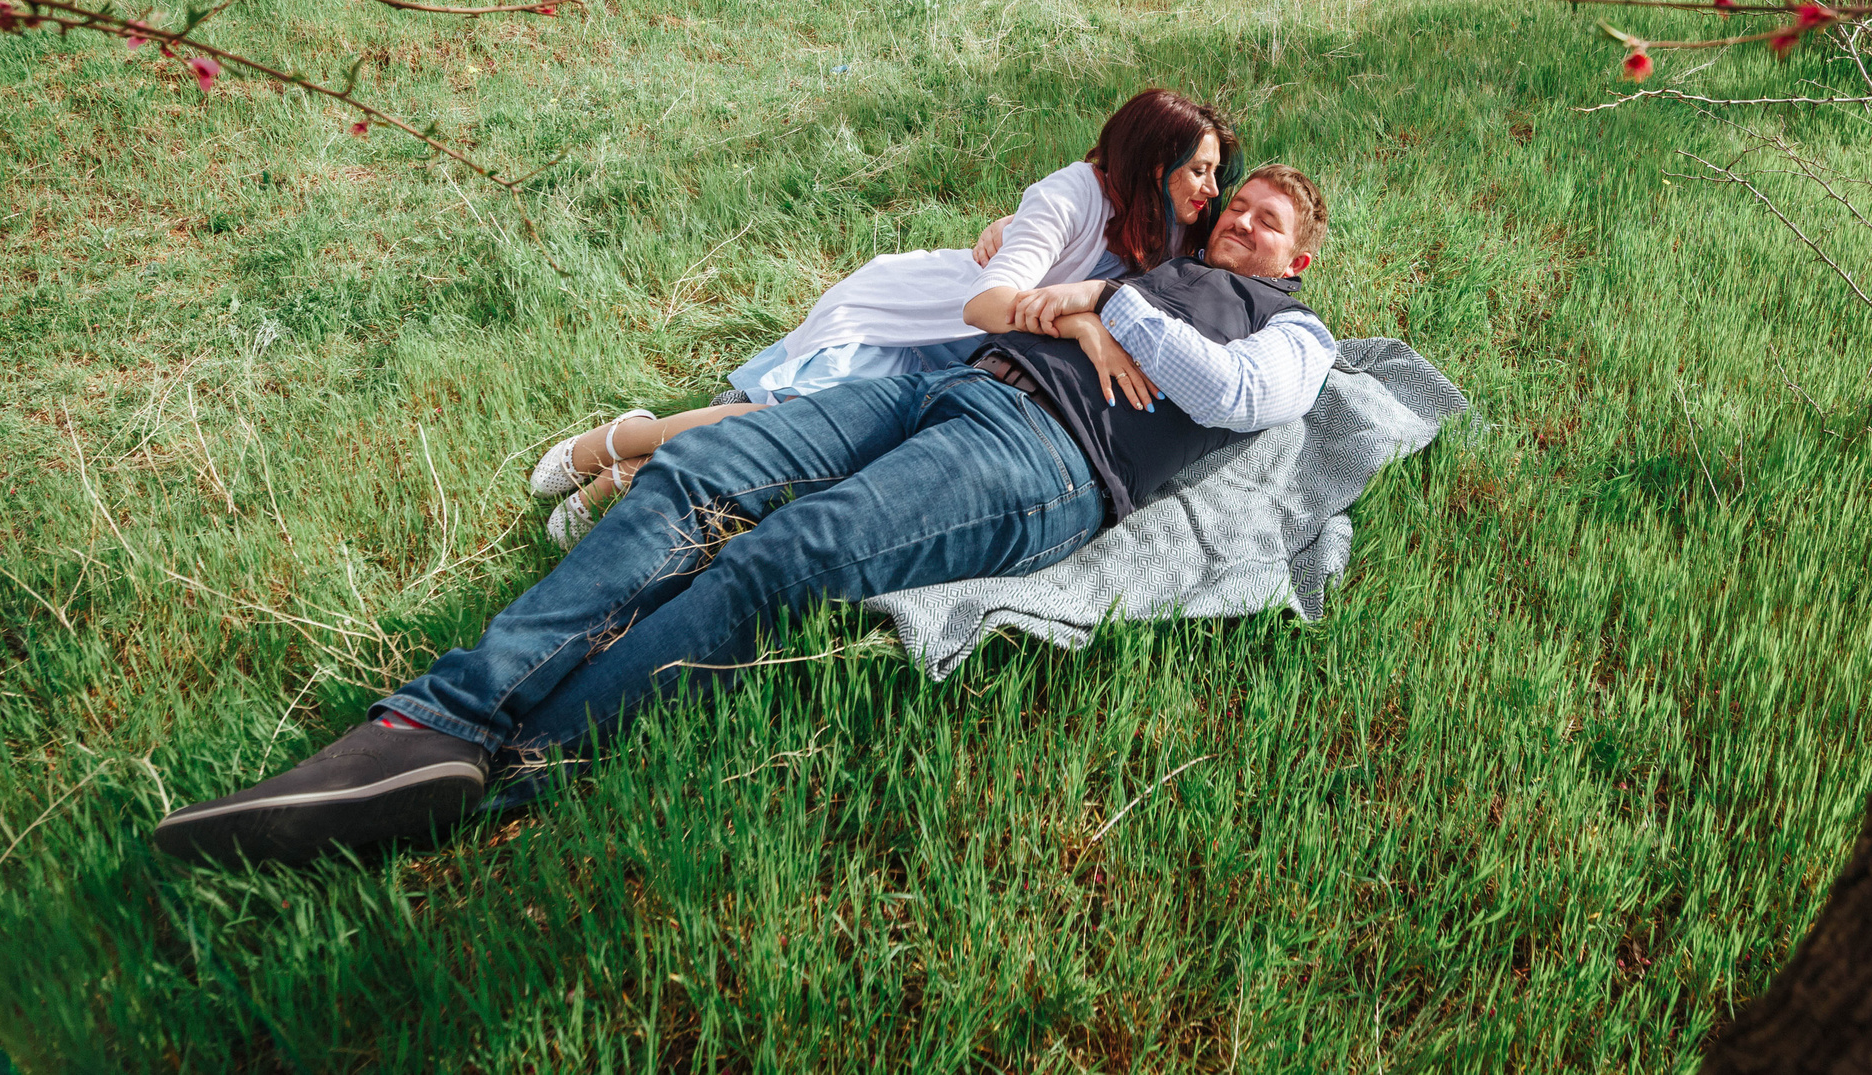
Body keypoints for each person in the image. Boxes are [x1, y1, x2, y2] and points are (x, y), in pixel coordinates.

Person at [152, 166, 1336, 867]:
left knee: (787, 555)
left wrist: (1105, 308)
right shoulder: (1151, 264)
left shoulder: (1292, 334)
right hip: (948, 384)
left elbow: (1224, 395)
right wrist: (1081, 297)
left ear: (1302, 256)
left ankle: (519, 765)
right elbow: (1036, 253)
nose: (1241, 219)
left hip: (1046, 457)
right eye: (1239, 204)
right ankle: (429, 726)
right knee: (697, 476)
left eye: (1270, 218)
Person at [527, 88, 1242, 526]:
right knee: (781, 420)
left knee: (815, 456)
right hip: (917, 320)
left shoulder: (1173, 227)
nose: (1211, 187)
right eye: (1200, 169)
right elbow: (985, 301)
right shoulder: (1073, 193)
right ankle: (615, 444)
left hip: (964, 368)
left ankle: (628, 477)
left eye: (1217, 173)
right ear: (1155, 163)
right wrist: (1080, 317)